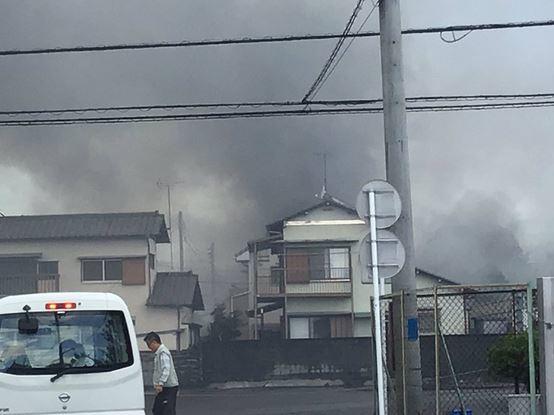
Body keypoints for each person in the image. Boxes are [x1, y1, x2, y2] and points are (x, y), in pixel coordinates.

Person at [144, 332, 179, 415]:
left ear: (154, 342)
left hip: (169, 387)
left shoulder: (163, 352)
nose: (149, 348)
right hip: (164, 387)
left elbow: (166, 369)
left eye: (149, 345)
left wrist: (160, 383)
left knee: (167, 411)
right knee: (157, 409)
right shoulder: (158, 353)